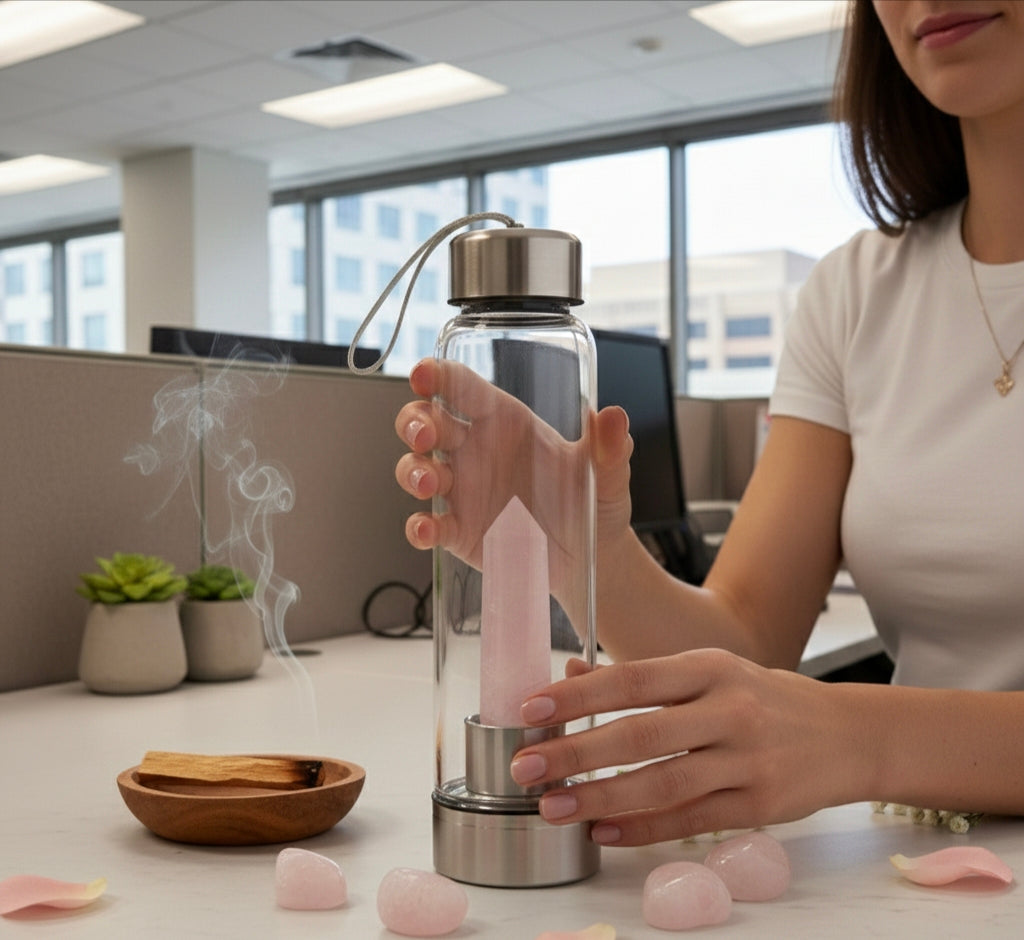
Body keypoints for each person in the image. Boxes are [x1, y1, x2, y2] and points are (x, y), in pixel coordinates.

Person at [394, 0, 1024, 847]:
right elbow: (749, 647)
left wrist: (867, 737)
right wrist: (590, 552)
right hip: (928, 873)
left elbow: (839, 727)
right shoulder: (857, 293)